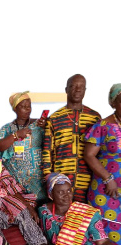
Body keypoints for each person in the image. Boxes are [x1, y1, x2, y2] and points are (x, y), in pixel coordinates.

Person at [42, 74, 101, 202]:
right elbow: (47, 151)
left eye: (81, 87)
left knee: (85, 217)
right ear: (66, 90)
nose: (78, 90)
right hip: (61, 180)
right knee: (62, 217)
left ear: (85, 90)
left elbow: (100, 151)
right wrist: (48, 177)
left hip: (88, 179)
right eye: (73, 86)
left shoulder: (94, 118)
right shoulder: (55, 118)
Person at [84, 84, 121, 245]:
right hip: (106, 188)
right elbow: (89, 155)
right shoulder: (102, 126)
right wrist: (108, 179)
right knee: (107, 230)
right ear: (113, 103)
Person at [0, 91, 47, 203]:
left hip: (39, 182)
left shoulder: (39, 125)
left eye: (29, 106)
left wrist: (48, 124)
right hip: (16, 184)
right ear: (15, 109)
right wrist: (16, 135)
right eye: (23, 107)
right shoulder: (7, 129)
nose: (27, 109)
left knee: (41, 210)